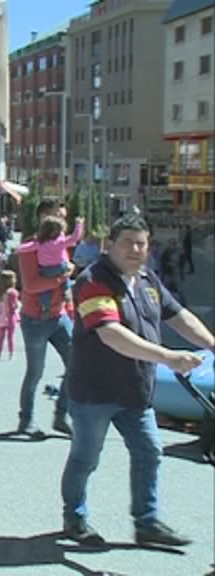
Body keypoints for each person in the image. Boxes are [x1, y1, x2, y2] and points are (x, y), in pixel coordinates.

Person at [60, 214, 214, 548]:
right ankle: (74, 516)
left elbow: (179, 316)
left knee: (149, 452)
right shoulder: (92, 280)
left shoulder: (147, 279)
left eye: (142, 243)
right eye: (127, 241)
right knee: (86, 459)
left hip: (136, 391)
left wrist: (212, 344)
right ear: (110, 245)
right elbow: (111, 334)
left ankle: (146, 522)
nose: (135, 249)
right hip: (94, 392)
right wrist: (168, 357)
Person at [14, 198, 74, 438]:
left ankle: (61, 415)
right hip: (36, 319)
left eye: (64, 216)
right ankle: (26, 420)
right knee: (35, 373)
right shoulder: (32, 247)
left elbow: (64, 271)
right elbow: (31, 285)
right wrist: (62, 277)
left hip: (60, 316)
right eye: (58, 216)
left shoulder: (59, 242)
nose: (63, 221)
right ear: (43, 218)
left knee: (76, 365)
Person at [29, 215, 84, 316]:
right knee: (66, 271)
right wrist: (79, 225)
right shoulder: (59, 242)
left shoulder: (39, 242)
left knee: (45, 289)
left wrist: (18, 249)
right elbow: (74, 238)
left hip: (44, 270)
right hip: (58, 267)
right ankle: (67, 291)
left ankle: (45, 307)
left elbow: (26, 247)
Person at [0, 270, 20, 361]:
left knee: (1, 336)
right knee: (10, 336)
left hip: (1, 316)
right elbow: (14, 305)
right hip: (11, 316)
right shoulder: (12, 292)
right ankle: (11, 354)